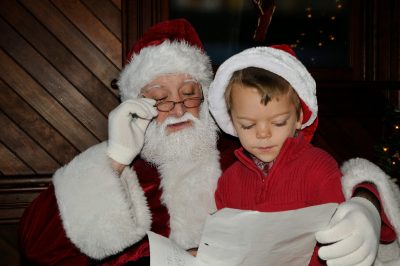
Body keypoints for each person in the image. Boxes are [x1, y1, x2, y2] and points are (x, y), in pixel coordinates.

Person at [18, 19, 400, 266]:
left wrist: (365, 205)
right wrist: (115, 159)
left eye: (189, 93)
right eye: (160, 97)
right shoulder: (121, 170)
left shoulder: (241, 149)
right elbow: (37, 246)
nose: (179, 108)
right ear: (135, 104)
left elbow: (333, 172)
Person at [208, 45, 400, 266]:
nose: (263, 134)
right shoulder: (228, 182)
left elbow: (340, 241)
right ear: (232, 123)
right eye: (248, 125)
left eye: (278, 122)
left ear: (299, 117)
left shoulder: (318, 168)